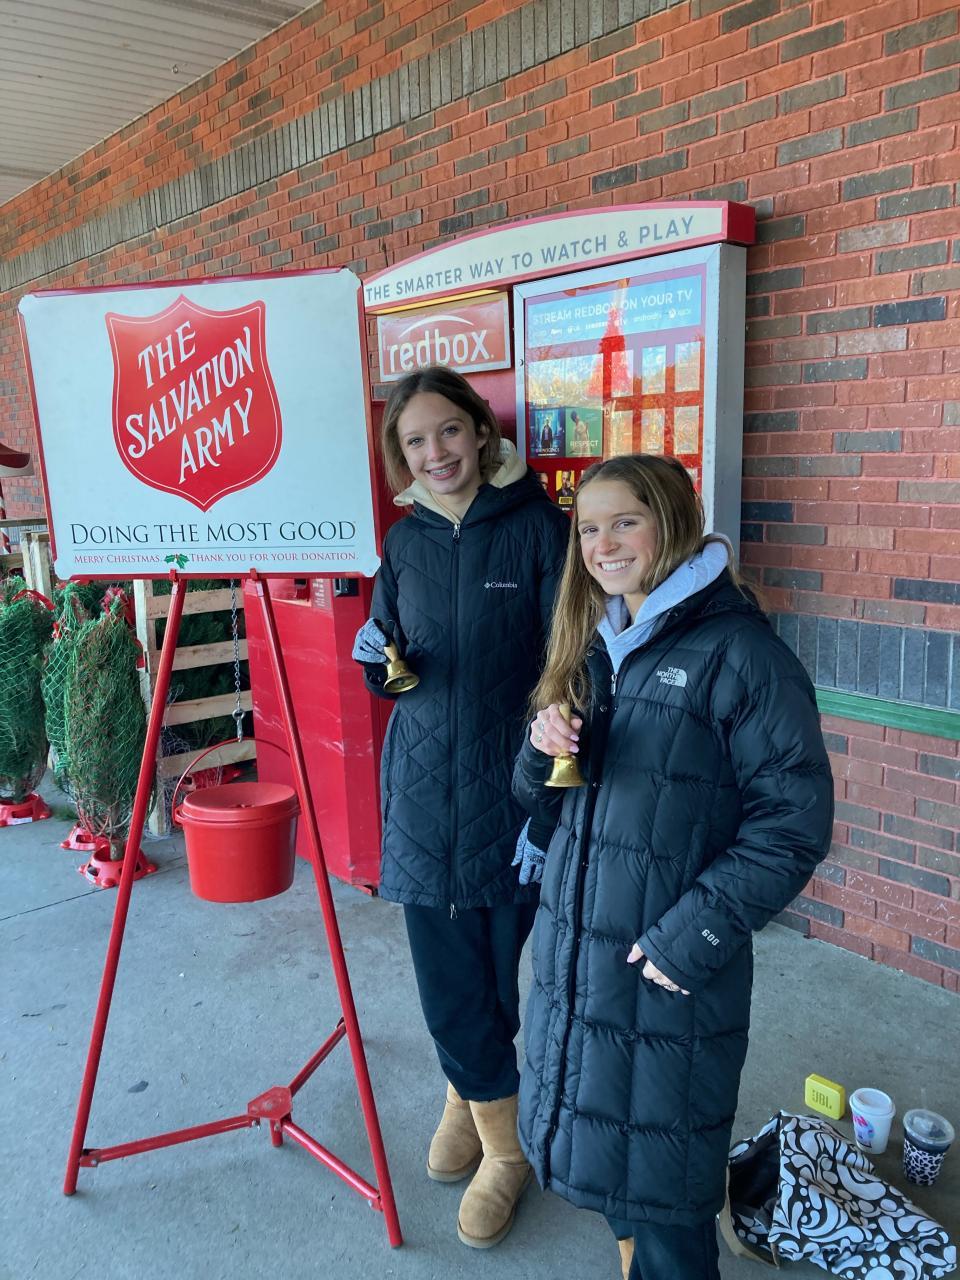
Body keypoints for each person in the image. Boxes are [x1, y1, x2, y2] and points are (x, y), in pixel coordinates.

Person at [511, 454, 833, 1280]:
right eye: (588, 528)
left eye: (626, 521)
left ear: (674, 521)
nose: (604, 544)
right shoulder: (593, 641)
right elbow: (538, 798)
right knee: (611, 1158)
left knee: (665, 1197)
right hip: (580, 961)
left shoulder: (740, 653)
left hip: (668, 971)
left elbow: (793, 824)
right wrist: (541, 748)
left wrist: (689, 940)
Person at [351, 365, 569, 1249]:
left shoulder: (540, 530)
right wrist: (379, 662)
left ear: (481, 431)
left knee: (493, 975)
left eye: (448, 430)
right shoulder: (402, 544)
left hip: (508, 791)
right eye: (415, 441)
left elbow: (570, 667)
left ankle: (483, 1118)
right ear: (400, 456)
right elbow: (393, 665)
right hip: (418, 792)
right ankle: (497, 1137)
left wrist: (548, 804)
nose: (435, 452)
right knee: (449, 985)